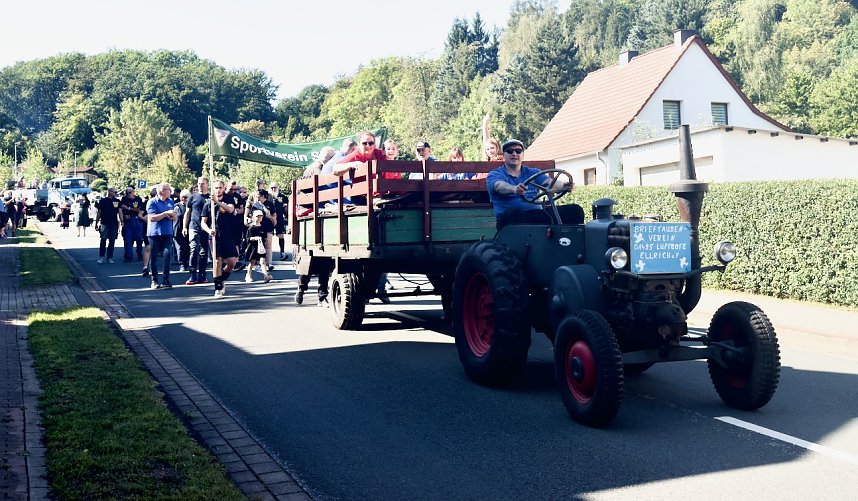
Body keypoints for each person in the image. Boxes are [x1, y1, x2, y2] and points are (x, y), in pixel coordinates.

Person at [486, 139, 572, 228]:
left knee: (574, 210)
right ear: (504, 155)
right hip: (510, 220)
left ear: (522, 155)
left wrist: (564, 186)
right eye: (510, 151)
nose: (514, 154)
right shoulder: (495, 174)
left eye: (518, 151)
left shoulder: (533, 173)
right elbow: (498, 186)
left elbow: (549, 183)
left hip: (536, 215)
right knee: (516, 213)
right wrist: (514, 189)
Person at [201, 179, 240, 298]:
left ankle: (221, 279)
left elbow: (230, 209)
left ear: (224, 188)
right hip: (214, 236)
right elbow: (203, 222)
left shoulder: (228, 199)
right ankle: (218, 288)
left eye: (220, 188)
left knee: (232, 263)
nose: (218, 190)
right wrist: (209, 230)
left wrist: (217, 202)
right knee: (217, 261)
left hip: (227, 235)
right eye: (216, 188)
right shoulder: (208, 204)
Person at [146, 182, 177, 289]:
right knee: (154, 257)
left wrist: (172, 216)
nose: (170, 191)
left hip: (167, 232)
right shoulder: (152, 202)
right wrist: (165, 214)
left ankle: (166, 279)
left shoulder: (170, 201)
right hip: (155, 233)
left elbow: (174, 217)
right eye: (168, 189)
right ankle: (154, 280)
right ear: (162, 191)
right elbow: (152, 218)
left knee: (167, 255)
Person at [183, 177, 210, 285]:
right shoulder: (192, 197)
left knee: (204, 252)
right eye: (199, 183)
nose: (200, 185)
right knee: (194, 249)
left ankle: (202, 274)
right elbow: (187, 213)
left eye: (203, 183)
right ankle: (193, 274)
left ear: (207, 184)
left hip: (206, 228)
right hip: (194, 226)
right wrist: (184, 227)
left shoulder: (210, 198)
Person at [243, 210, 273, 283]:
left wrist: (265, 242)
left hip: (261, 247)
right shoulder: (251, 228)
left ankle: (266, 276)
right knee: (252, 262)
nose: (259, 218)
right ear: (253, 217)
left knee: (263, 261)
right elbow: (247, 238)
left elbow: (265, 237)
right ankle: (248, 275)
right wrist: (255, 238)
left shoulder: (263, 227)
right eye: (257, 216)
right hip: (253, 247)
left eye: (260, 216)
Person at [95, 188, 121, 263]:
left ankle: (110, 257)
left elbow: (119, 212)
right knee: (103, 239)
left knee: (112, 240)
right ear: (110, 192)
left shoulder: (117, 201)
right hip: (104, 223)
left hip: (114, 223)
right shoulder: (103, 201)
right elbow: (99, 212)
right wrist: (96, 222)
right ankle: (101, 256)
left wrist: (121, 222)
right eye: (115, 192)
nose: (116, 193)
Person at [120, 187, 145, 263]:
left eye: (130, 192)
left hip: (137, 220)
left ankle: (139, 254)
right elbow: (120, 209)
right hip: (128, 221)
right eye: (127, 192)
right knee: (128, 239)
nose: (128, 194)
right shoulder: (124, 199)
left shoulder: (138, 199)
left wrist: (128, 208)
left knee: (139, 239)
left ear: (133, 192)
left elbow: (140, 210)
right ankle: (128, 256)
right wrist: (122, 219)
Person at [270, 182, 289, 261]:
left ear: (278, 188)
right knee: (268, 237)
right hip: (270, 219)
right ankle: (267, 255)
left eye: (275, 187)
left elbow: (286, 209)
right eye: (272, 188)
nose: (273, 189)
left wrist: (287, 216)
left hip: (280, 218)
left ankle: (282, 253)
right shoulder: (267, 196)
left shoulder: (283, 197)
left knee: (281, 235)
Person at [173, 190, 191, 272]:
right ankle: (182, 264)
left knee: (188, 247)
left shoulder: (191, 206)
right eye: (183, 197)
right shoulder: (177, 206)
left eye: (186, 197)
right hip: (178, 229)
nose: (184, 199)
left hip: (189, 229)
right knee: (180, 248)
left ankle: (188, 262)